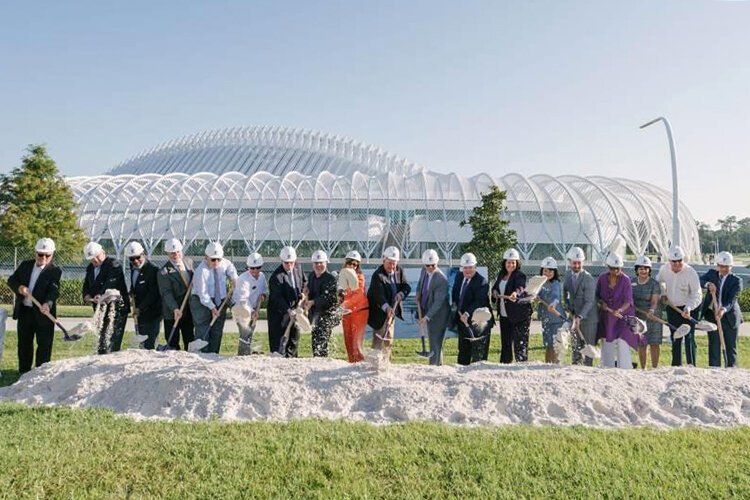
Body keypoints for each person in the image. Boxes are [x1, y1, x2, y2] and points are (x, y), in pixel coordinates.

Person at [7, 238, 62, 373]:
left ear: (52, 254)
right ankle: (24, 372)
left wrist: (47, 304)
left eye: (47, 255)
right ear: (35, 252)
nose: (43, 257)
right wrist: (19, 288)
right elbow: (12, 280)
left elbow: (54, 290)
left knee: (44, 345)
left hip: (44, 314)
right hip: (25, 312)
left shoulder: (54, 271)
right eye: (40, 254)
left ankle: (40, 373)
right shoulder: (25, 265)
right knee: (24, 345)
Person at [656, 246, 702, 366]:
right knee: (676, 337)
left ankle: (691, 365)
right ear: (669, 261)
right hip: (672, 308)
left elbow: (697, 294)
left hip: (689, 308)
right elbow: (659, 282)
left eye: (679, 261)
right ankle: (676, 365)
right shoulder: (664, 269)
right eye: (674, 262)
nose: (677, 264)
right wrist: (663, 293)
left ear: (683, 259)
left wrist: (688, 308)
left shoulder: (691, 272)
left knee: (689, 337)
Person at [189, 242, 238, 353]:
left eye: (218, 259)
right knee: (203, 327)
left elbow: (230, 268)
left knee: (217, 328)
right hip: (201, 301)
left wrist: (234, 279)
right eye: (213, 260)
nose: (216, 262)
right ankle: (202, 353)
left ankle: (214, 353)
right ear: (206, 257)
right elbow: (203, 294)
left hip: (220, 299)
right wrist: (212, 308)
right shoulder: (201, 271)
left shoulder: (224, 263)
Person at [82, 241, 129, 353]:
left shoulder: (113, 264)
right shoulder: (90, 268)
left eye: (97, 256)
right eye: (92, 259)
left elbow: (111, 282)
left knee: (112, 340)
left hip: (116, 308)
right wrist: (86, 295)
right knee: (101, 339)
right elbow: (86, 284)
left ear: (103, 252)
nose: (95, 260)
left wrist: (101, 294)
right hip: (100, 308)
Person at [596, 254, 641, 369]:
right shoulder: (602, 278)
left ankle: (625, 368)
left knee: (623, 342)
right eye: (612, 268)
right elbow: (596, 296)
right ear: (608, 267)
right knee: (607, 341)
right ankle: (607, 366)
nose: (615, 271)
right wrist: (602, 303)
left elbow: (628, 300)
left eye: (618, 268)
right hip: (607, 316)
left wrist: (620, 310)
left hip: (623, 315)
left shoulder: (625, 280)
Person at [367, 246, 411, 362]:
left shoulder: (399, 271)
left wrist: (401, 294)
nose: (391, 266)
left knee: (389, 339)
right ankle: (374, 363)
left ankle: (386, 362)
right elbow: (378, 296)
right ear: (384, 260)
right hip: (379, 313)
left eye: (394, 263)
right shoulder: (378, 275)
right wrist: (387, 308)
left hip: (392, 312)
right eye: (389, 263)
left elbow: (406, 286)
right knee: (378, 339)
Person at [699, 251, 742, 367]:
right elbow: (699, 281)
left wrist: (722, 309)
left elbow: (731, 300)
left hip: (729, 318)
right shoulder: (711, 274)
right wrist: (708, 284)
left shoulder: (736, 281)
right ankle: (714, 371)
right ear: (717, 266)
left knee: (730, 347)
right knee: (714, 346)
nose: (723, 269)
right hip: (712, 316)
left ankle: (731, 371)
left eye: (726, 267)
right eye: (721, 266)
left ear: (731, 267)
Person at [492, 248, 533, 363]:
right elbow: (496, 287)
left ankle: (521, 366)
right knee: (505, 344)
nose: (510, 265)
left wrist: (516, 293)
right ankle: (504, 366)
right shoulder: (501, 274)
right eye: (508, 262)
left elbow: (520, 287)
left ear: (517, 263)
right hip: (504, 315)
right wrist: (494, 292)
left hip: (518, 316)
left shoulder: (520, 275)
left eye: (513, 262)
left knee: (520, 344)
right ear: (504, 263)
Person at [452, 252, 493, 366]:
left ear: (475, 267)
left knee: (478, 357)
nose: (468, 270)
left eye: (470, 267)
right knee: (463, 354)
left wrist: (467, 313)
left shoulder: (482, 282)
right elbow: (456, 293)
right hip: (462, 322)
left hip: (479, 323)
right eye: (465, 268)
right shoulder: (459, 276)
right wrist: (455, 306)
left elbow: (479, 301)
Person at [268, 246, 307, 357]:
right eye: (286, 263)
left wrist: (304, 291)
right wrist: (288, 311)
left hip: (295, 307)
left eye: (291, 263)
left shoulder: (298, 267)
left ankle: (293, 359)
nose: (289, 265)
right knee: (280, 342)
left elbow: (304, 281)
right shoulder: (276, 277)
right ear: (281, 261)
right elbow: (277, 299)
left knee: (294, 338)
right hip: (280, 313)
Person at [562, 246, 598, 366]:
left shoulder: (588, 279)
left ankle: (588, 373)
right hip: (574, 316)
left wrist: (580, 316)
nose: (576, 266)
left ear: (583, 262)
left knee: (587, 350)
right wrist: (569, 310)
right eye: (574, 263)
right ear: (569, 262)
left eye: (579, 263)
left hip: (588, 319)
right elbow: (565, 293)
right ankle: (575, 371)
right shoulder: (567, 275)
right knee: (576, 348)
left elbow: (589, 301)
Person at [157, 238, 194, 350]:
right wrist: (175, 309)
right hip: (172, 311)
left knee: (189, 339)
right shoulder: (163, 272)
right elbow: (166, 293)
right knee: (172, 342)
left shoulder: (189, 262)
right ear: (168, 253)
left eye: (178, 252)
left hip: (188, 308)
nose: (176, 255)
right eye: (172, 253)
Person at [124, 241, 162, 349]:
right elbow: (136, 284)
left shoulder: (153, 270)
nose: (135, 261)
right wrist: (132, 290)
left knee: (150, 343)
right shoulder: (132, 267)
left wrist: (140, 308)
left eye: (137, 257)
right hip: (140, 313)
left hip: (152, 312)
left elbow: (153, 293)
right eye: (131, 259)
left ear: (143, 254)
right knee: (142, 342)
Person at [416, 249, 450, 366]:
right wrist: (418, 294)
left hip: (439, 315)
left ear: (437, 263)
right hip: (427, 310)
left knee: (436, 343)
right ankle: (435, 365)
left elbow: (438, 303)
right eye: (427, 265)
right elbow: (420, 284)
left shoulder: (441, 279)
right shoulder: (423, 271)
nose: (430, 267)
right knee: (432, 341)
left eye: (433, 265)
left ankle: (435, 367)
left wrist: (426, 317)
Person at [305, 250, 339, 357]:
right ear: (312, 264)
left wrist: (313, 302)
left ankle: (322, 363)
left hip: (326, 316)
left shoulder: (330, 279)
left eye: (321, 263)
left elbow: (328, 298)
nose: (319, 265)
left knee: (322, 343)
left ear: (326, 263)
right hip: (314, 315)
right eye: (316, 263)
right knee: (315, 343)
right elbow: (309, 292)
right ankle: (316, 362)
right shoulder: (311, 276)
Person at [232, 252, 267, 355]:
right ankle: (242, 355)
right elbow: (243, 299)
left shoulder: (262, 277)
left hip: (253, 307)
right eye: (252, 268)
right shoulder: (243, 279)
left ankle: (246, 352)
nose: (255, 270)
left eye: (258, 267)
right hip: (240, 308)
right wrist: (252, 312)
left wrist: (264, 295)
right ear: (248, 267)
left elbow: (265, 290)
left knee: (250, 331)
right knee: (245, 332)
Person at [632, 255, 663, 368]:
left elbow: (654, 301)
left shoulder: (654, 284)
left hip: (653, 315)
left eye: (646, 268)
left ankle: (655, 368)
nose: (643, 271)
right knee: (642, 343)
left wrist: (651, 310)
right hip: (639, 316)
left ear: (649, 270)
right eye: (641, 268)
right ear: (637, 270)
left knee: (654, 343)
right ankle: (643, 368)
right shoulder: (632, 282)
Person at [339, 250, 368, 363]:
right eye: (350, 263)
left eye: (355, 264)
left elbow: (357, 294)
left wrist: (343, 304)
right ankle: (351, 364)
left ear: (358, 266)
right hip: (347, 312)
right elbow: (342, 294)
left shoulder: (359, 277)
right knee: (348, 341)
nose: (352, 266)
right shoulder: (343, 276)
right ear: (346, 263)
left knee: (356, 343)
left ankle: (360, 364)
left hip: (360, 312)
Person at [536, 256, 565, 363]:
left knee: (555, 344)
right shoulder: (539, 283)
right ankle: (547, 366)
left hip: (556, 319)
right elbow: (535, 294)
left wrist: (553, 304)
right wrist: (535, 298)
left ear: (555, 272)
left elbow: (556, 296)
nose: (548, 273)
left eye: (550, 271)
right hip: (546, 318)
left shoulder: (555, 283)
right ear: (542, 271)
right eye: (545, 270)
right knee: (548, 344)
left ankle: (556, 366)